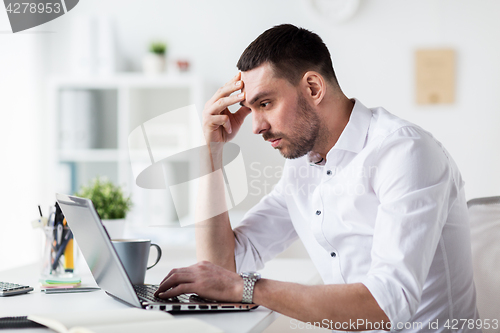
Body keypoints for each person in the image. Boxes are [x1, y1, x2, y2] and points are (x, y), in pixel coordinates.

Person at [155, 24, 480, 332]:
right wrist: (211, 152)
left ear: (313, 87)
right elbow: (221, 267)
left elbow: (386, 305)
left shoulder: (404, 152)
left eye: (265, 103)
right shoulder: (302, 166)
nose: (255, 126)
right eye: (250, 109)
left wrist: (247, 288)